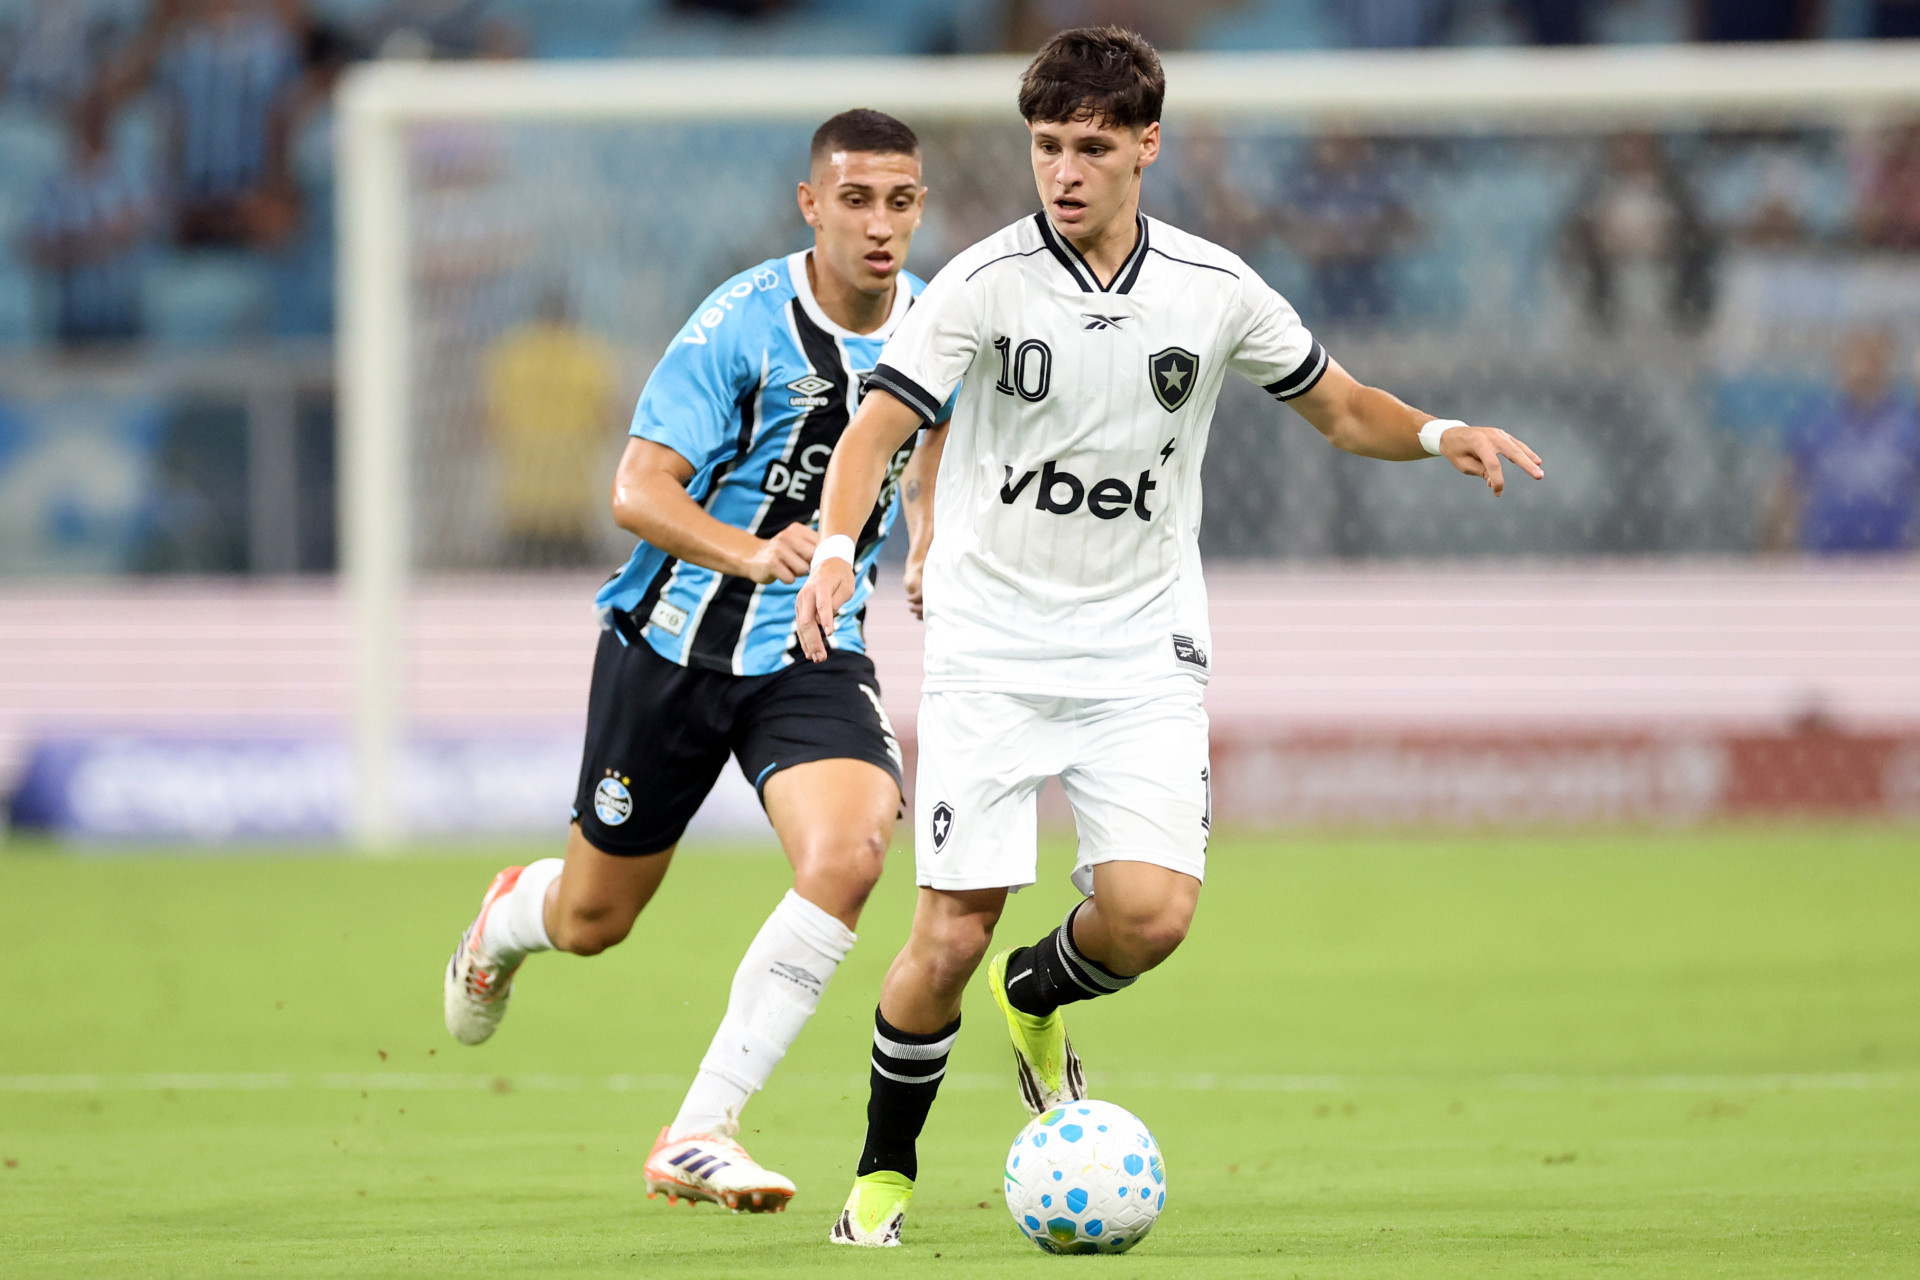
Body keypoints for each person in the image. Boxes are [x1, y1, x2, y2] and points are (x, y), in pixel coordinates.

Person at [792, 27, 1543, 1247]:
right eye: (1046, 147)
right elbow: (877, 430)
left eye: (1092, 147)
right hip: (993, 644)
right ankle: (883, 1173)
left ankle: (1035, 993)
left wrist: (1438, 429)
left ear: (1147, 146)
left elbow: (1342, 404)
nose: (1066, 172)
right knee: (948, 927)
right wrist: (839, 550)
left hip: (1142, 647)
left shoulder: (1213, 287)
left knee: (1150, 915)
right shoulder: (983, 284)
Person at [441, 109, 951, 1213]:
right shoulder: (740, 324)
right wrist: (754, 550)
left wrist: (928, 538)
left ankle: (703, 1125)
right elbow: (634, 488)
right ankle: (507, 917)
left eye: (899, 201)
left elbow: (931, 440)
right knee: (592, 920)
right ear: (810, 206)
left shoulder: (937, 323)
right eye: (854, 199)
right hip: (671, 647)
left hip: (812, 648)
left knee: (854, 851)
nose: (878, 224)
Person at [481, 285, 618, 566]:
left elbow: (489, 422)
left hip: (522, 502)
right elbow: (608, 420)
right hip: (574, 506)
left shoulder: (512, 357)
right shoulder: (590, 358)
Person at [1765, 327, 1920, 554]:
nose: (1864, 369)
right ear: (1841, 363)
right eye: (1856, 358)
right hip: (1825, 559)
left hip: (1893, 561)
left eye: (1872, 359)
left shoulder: (1909, 424)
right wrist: (1773, 547)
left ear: (1887, 364)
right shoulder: (1816, 423)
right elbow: (1788, 489)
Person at [27, 89, 152, 348]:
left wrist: (80, 241)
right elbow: (40, 247)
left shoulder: (128, 179)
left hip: (121, 314)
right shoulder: (54, 186)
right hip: (73, 316)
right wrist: (96, 242)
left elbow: (137, 229)